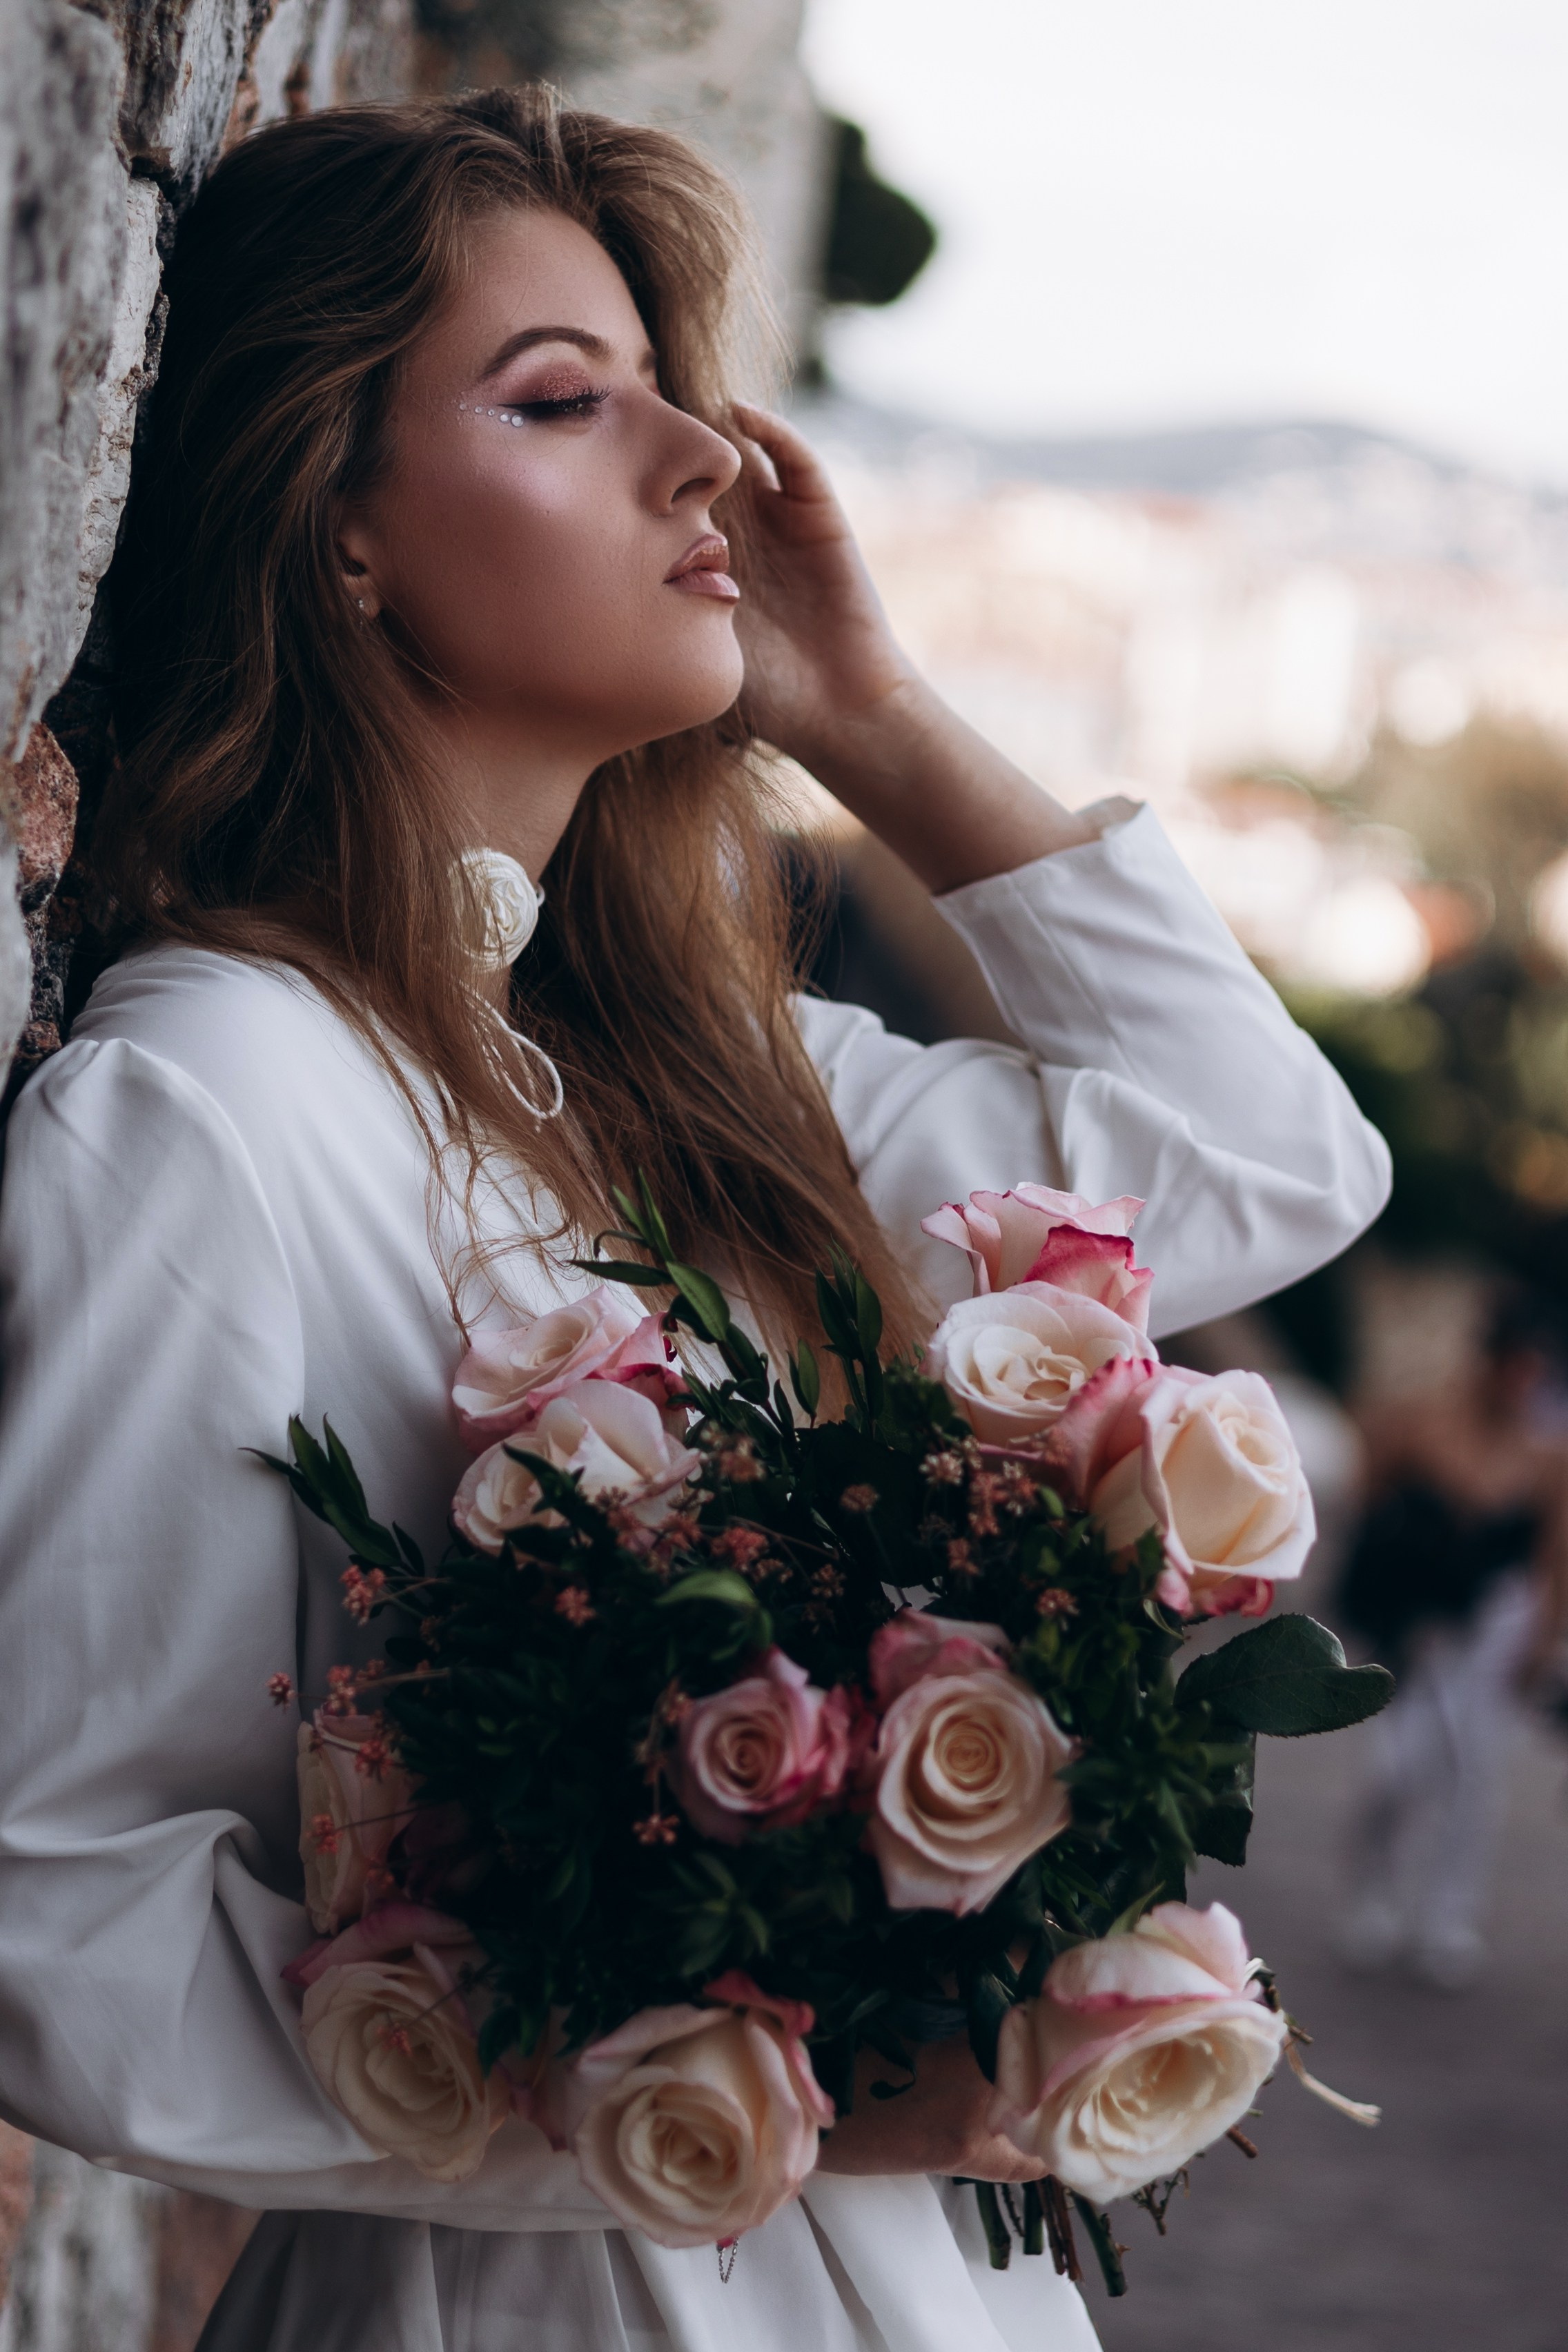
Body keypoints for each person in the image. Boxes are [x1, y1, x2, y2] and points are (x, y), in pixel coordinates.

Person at [0, 88, 1391, 2352]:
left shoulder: (712, 1081)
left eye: (675, 383)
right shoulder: (211, 1106)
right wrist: (729, 2098)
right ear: (336, 524)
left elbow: (1266, 1155)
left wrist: (869, 708)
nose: (706, 458)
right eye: (564, 398)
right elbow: (63, 1916)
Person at [1339, 1288, 1568, 1990]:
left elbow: (1554, 1555)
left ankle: (1447, 1915)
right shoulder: (1424, 1419)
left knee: (1476, 1778)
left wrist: (1543, 1640)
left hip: (1498, 1627)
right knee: (1398, 1767)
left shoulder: (1546, 1451)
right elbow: (1367, 1485)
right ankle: (1375, 1893)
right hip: (1422, 1628)